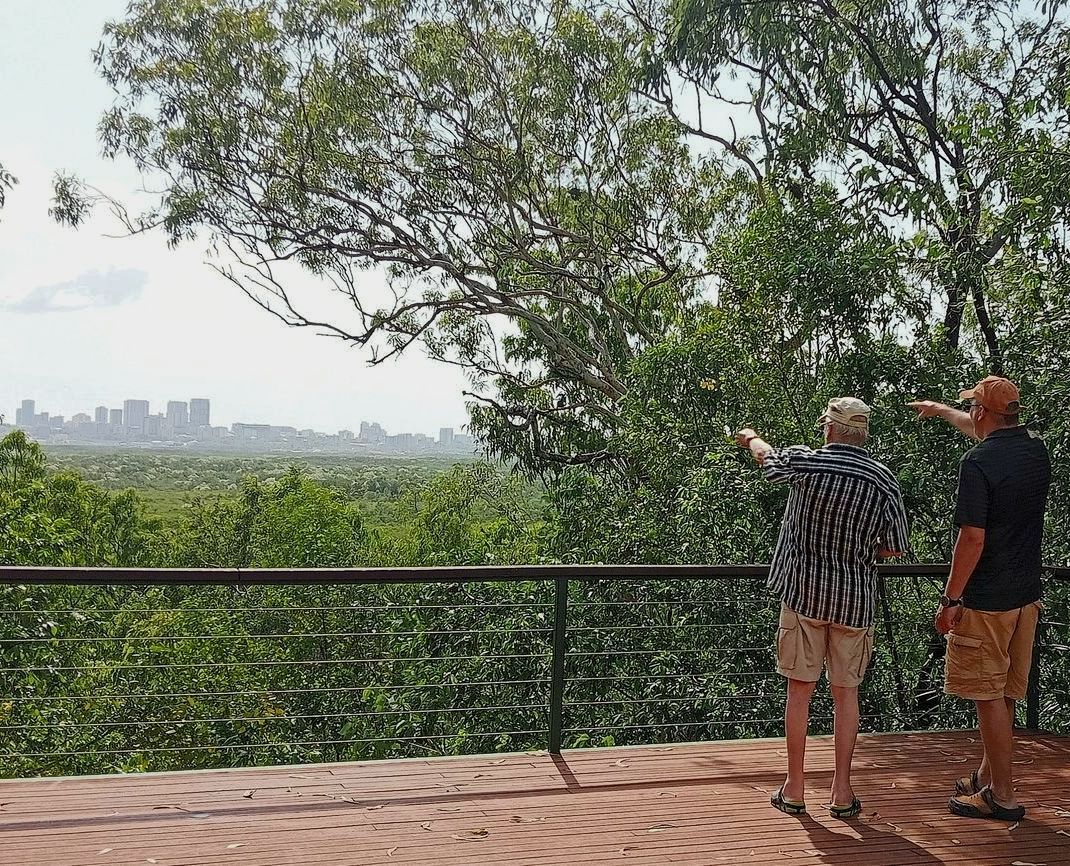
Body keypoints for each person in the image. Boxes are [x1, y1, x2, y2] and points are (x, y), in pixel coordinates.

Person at [736, 397, 909, 819]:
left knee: (800, 691)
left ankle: (794, 787)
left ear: (830, 429)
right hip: (853, 600)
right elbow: (894, 546)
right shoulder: (883, 480)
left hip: (803, 595)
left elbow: (768, 460)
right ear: (863, 433)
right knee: (846, 695)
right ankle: (842, 792)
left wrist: (751, 437)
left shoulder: (806, 462)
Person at [909, 376, 1050, 821]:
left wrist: (951, 598)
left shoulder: (977, 464)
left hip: (987, 600)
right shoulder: (1035, 450)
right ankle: (989, 777)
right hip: (1026, 597)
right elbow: (984, 433)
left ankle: (1002, 795)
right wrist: (939, 409)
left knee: (986, 695)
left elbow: (971, 538)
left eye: (972, 408)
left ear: (983, 413)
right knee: (1004, 693)